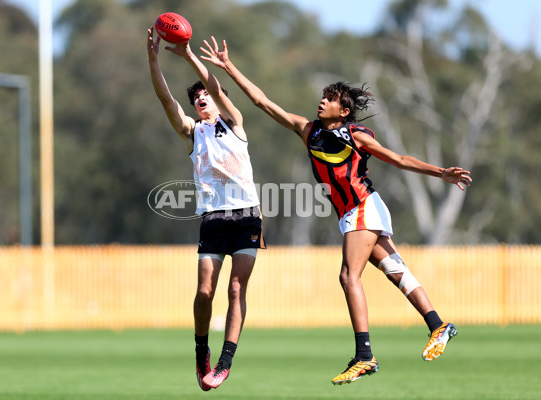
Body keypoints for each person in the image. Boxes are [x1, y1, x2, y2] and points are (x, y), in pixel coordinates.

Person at [199, 36, 472, 386]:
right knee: (395, 271)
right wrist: (228, 66)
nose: (322, 101)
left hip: (363, 207)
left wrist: (441, 172)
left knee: (348, 277)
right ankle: (438, 326)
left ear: (343, 111)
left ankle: (364, 355)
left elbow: (400, 159)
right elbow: (261, 101)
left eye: (329, 99)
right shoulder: (308, 130)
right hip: (352, 213)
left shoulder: (355, 135)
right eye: (323, 96)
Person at [147, 28, 266, 390]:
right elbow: (167, 100)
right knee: (204, 292)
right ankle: (202, 352)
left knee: (235, 290)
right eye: (196, 96)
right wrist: (153, 60)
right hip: (213, 220)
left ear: (217, 100)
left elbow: (216, 89)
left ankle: (225, 362)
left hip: (246, 215)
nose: (201, 98)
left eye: (205, 94)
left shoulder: (235, 126)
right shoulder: (192, 132)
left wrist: (188, 56)